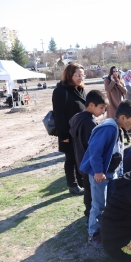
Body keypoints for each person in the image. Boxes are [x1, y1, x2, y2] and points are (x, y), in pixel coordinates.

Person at [80, 100, 131, 248]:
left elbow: (118, 153)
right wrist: (98, 171)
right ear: (123, 117)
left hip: (112, 173)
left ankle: (106, 230)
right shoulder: (109, 128)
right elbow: (95, 150)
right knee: (99, 205)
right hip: (100, 175)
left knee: (110, 203)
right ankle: (93, 234)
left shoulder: (119, 129)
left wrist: (120, 173)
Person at [69, 90, 108, 224]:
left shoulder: (77, 117)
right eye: (101, 108)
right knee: (92, 192)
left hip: (81, 161)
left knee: (87, 189)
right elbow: (93, 147)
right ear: (91, 105)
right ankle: (91, 216)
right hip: (90, 164)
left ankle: (88, 212)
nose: (103, 112)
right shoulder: (90, 123)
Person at [52, 63, 87, 195]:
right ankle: (72, 185)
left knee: (81, 158)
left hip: (82, 132)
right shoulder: (60, 91)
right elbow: (58, 115)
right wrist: (64, 135)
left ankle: (82, 181)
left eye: (82, 75)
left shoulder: (81, 89)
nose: (81, 77)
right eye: (78, 75)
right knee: (71, 159)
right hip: (68, 132)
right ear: (69, 75)